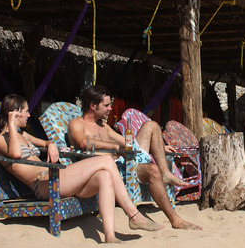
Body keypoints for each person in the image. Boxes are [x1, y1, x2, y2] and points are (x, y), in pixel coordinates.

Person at [0, 94, 163, 243]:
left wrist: (51, 144)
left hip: (55, 176)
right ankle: (133, 215)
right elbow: (14, 154)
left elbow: (45, 142)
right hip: (43, 184)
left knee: (104, 175)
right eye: (25, 111)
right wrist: (12, 126)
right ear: (14, 113)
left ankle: (110, 236)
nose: (29, 115)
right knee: (106, 161)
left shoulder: (23, 135)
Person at [68, 85, 201, 230]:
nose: (110, 109)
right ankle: (176, 220)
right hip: (112, 170)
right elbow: (82, 142)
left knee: (152, 125)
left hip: (124, 160)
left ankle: (165, 173)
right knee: (152, 170)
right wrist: (113, 147)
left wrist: (159, 147)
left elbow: (127, 142)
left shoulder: (104, 127)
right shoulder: (76, 124)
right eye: (106, 105)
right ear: (93, 106)